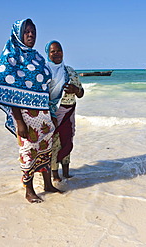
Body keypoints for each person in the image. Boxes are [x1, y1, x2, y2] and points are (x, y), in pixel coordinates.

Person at [0, 18, 61, 203]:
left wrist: (51, 114)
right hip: (25, 117)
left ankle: (48, 184)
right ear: (18, 34)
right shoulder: (11, 57)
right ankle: (29, 191)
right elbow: (2, 86)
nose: (31, 34)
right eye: (26, 31)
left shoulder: (37, 57)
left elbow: (46, 89)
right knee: (28, 152)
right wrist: (18, 120)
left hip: (43, 115)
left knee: (45, 150)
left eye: (33, 31)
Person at [45, 40, 84, 182]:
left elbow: (81, 93)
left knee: (67, 140)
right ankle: (55, 175)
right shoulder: (44, 72)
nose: (56, 53)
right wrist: (51, 114)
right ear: (47, 54)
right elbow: (42, 96)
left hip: (69, 111)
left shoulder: (70, 71)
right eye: (53, 51)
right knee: (54, 143)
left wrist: (76, 90)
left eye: (59, 50)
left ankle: (66, 173)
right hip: (53, 112)